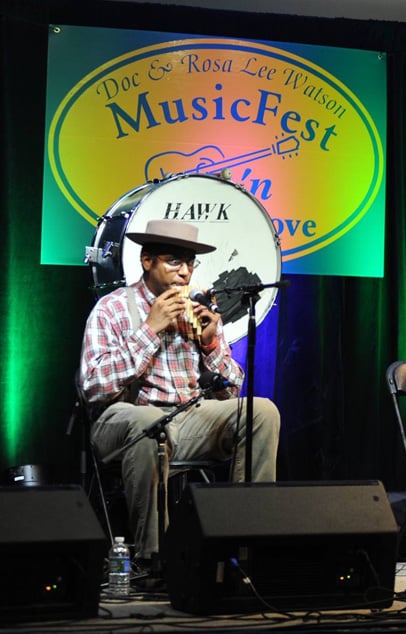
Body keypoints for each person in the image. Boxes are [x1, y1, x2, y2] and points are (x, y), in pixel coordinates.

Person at [79, 219, 280, 571]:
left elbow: (230, 389)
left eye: (190, 263)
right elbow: (93, 387)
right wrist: (150, 329)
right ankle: (154, 559)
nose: (185, 272)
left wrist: (211, 342)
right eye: (174, 261)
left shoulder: (195, 310)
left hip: (185, 420)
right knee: (150, 420)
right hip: (124, 420)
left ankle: (245, 546)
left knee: (260, 411)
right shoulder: (111, 308)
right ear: (147, 261)